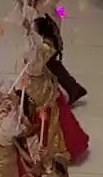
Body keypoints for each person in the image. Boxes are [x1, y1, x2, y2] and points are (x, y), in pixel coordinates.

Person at [22, 16, 90, 165]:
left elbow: (34, 61)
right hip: (39, 82)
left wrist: (29, 35)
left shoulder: (46, 48)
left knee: (47, 115)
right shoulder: (44, 45)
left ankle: (50, 147)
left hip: (40, 86)